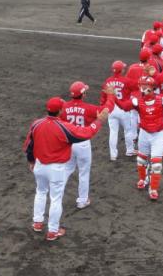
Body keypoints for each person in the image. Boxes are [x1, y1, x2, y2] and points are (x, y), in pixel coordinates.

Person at [24, 97, 109, 241]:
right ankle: (53, 231)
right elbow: (87, 133)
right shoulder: (64, 127)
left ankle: (37, 222)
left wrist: (31, 160)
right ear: (60, 110)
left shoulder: (36, 124)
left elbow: (29, 145)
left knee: (40, 192)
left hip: (39, 165)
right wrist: (99, 121)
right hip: (56, 168)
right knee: (55, 198)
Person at [115, 76, 163, 201]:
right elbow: (124, 107)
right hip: (144, 133)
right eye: (141, 85)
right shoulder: (137, 101)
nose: (141, 88)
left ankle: (153, 189)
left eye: (144, 86)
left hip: (158, 134)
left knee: (156, 164)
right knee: (141, 160)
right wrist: (112, 96)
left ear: (152, 88)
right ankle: (143, 179)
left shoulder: (162, 100)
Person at [60, 82, 115, 209]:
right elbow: (106, 110)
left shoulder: (63, 107)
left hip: (68, 143)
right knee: (83, 172)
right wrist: (110, 96)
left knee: (66, 169)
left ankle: (57, 195)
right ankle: (82, 200)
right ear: (83, 94)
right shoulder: (89, 108)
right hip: (82, 143)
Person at [101, 61, 137, 161]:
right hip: (123, 108)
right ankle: (129, 150)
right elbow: (137, 87)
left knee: (113, 132)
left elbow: (103, 97)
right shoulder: (126, 80)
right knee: (128, 130)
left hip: (111, 109)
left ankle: (113, 155)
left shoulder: (108, 81)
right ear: (121, 70)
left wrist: (103, 107)